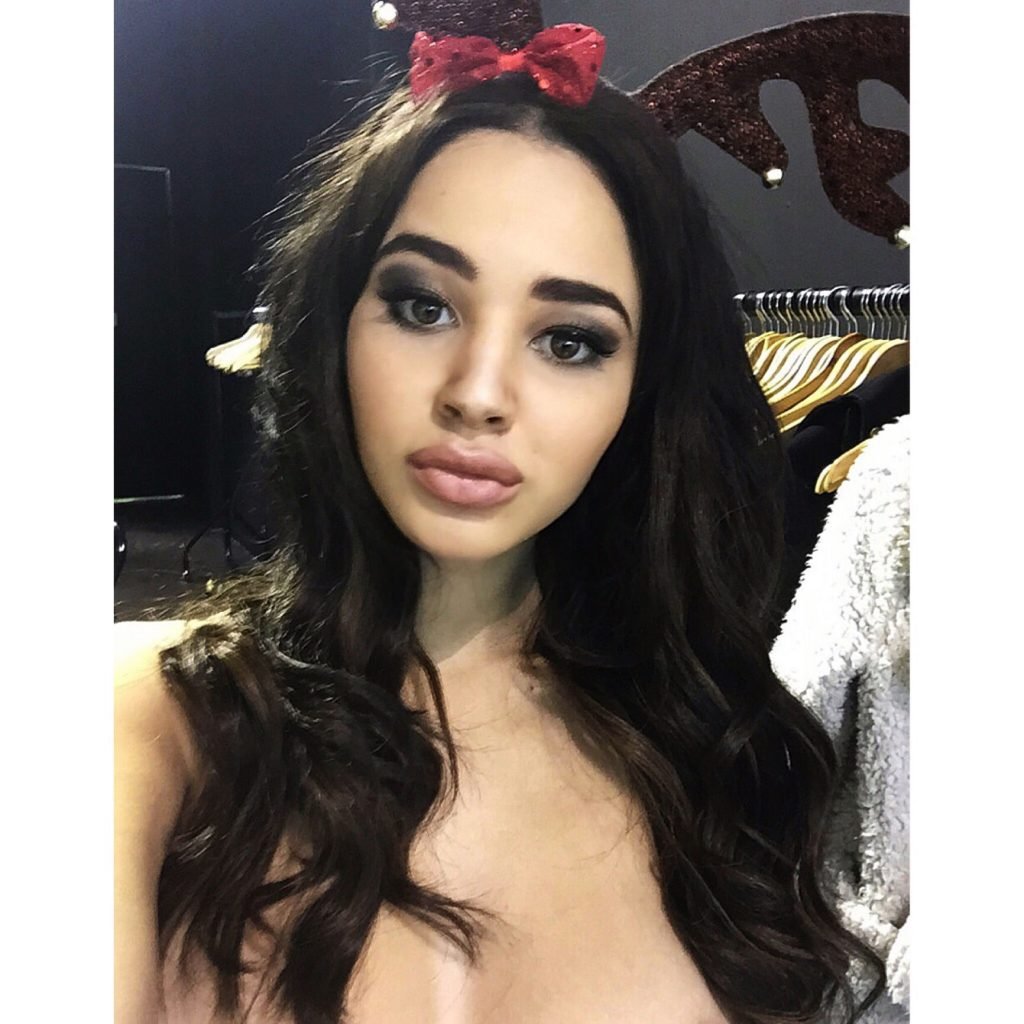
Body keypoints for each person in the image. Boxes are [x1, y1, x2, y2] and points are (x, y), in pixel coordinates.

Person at [115, 64, 886, 1024]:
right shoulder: (151, 723)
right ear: (336, 324)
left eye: (569, 341)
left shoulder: (730, 768)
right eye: (422, 305)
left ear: (641, 393)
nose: (478, 393)